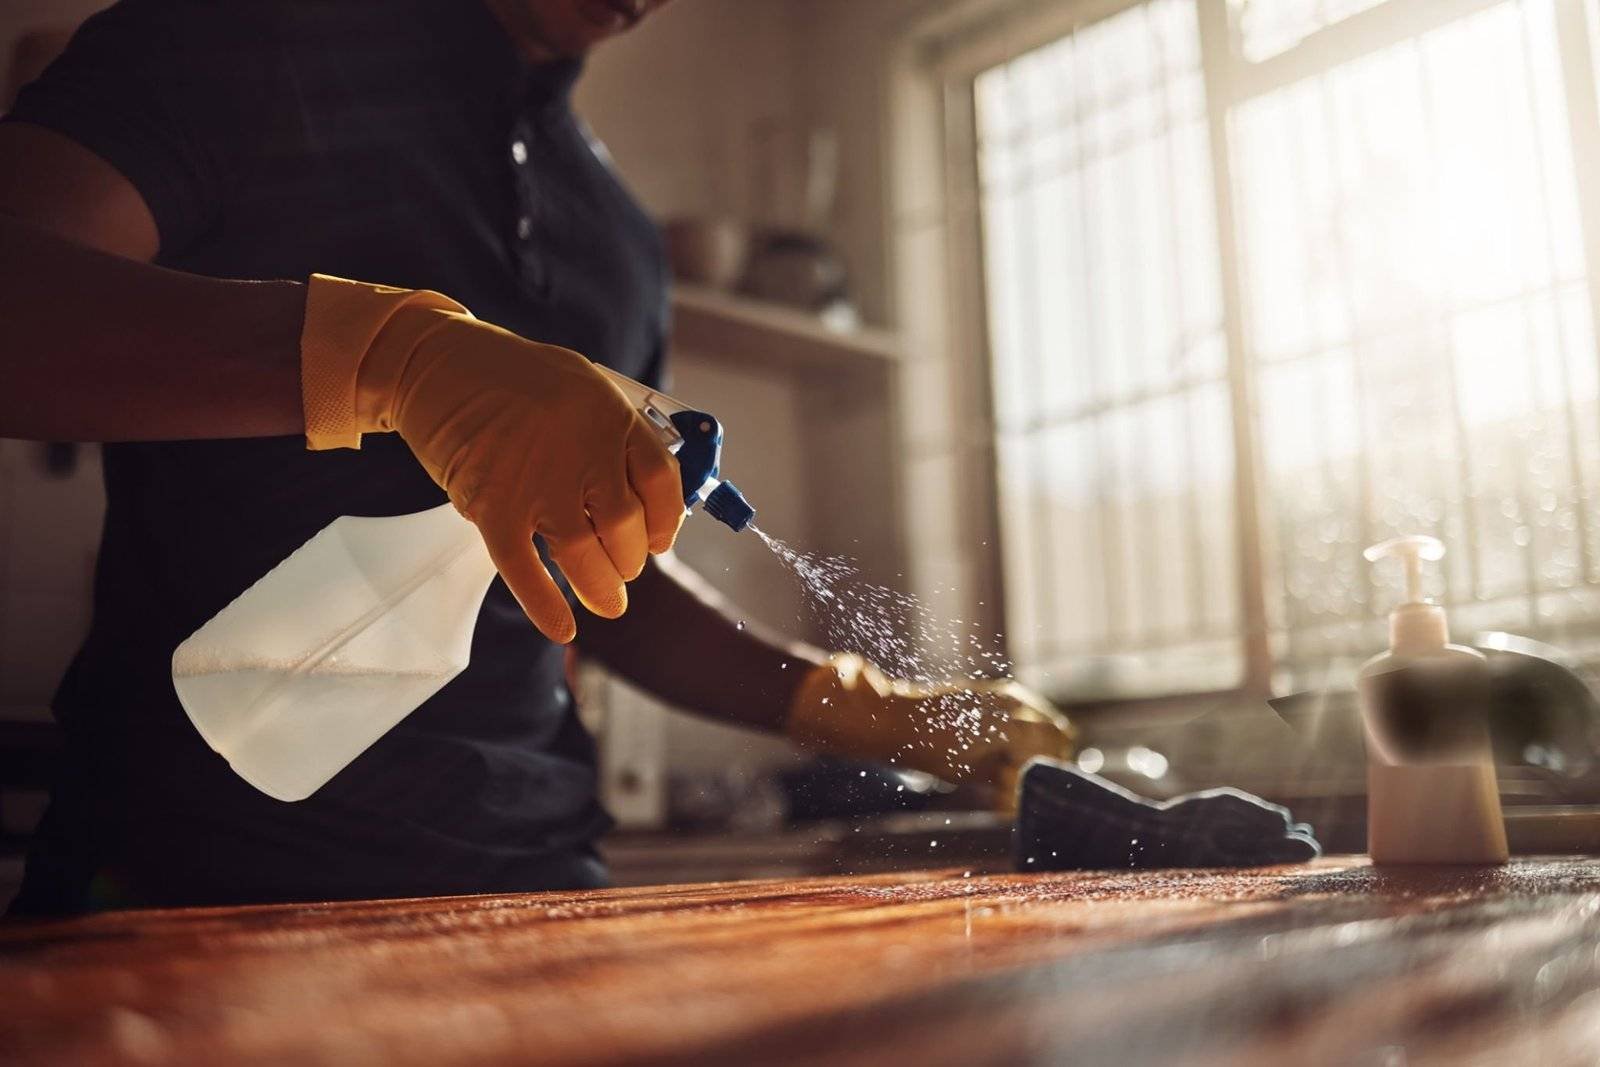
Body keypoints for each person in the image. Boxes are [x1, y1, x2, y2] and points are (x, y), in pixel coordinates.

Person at [0, 0, 1074, 914]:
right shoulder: (233, 40)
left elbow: (602, 574)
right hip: (190, 877)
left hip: (535, 878)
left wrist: (864, 707)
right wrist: (387, 358)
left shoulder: (616, 237)